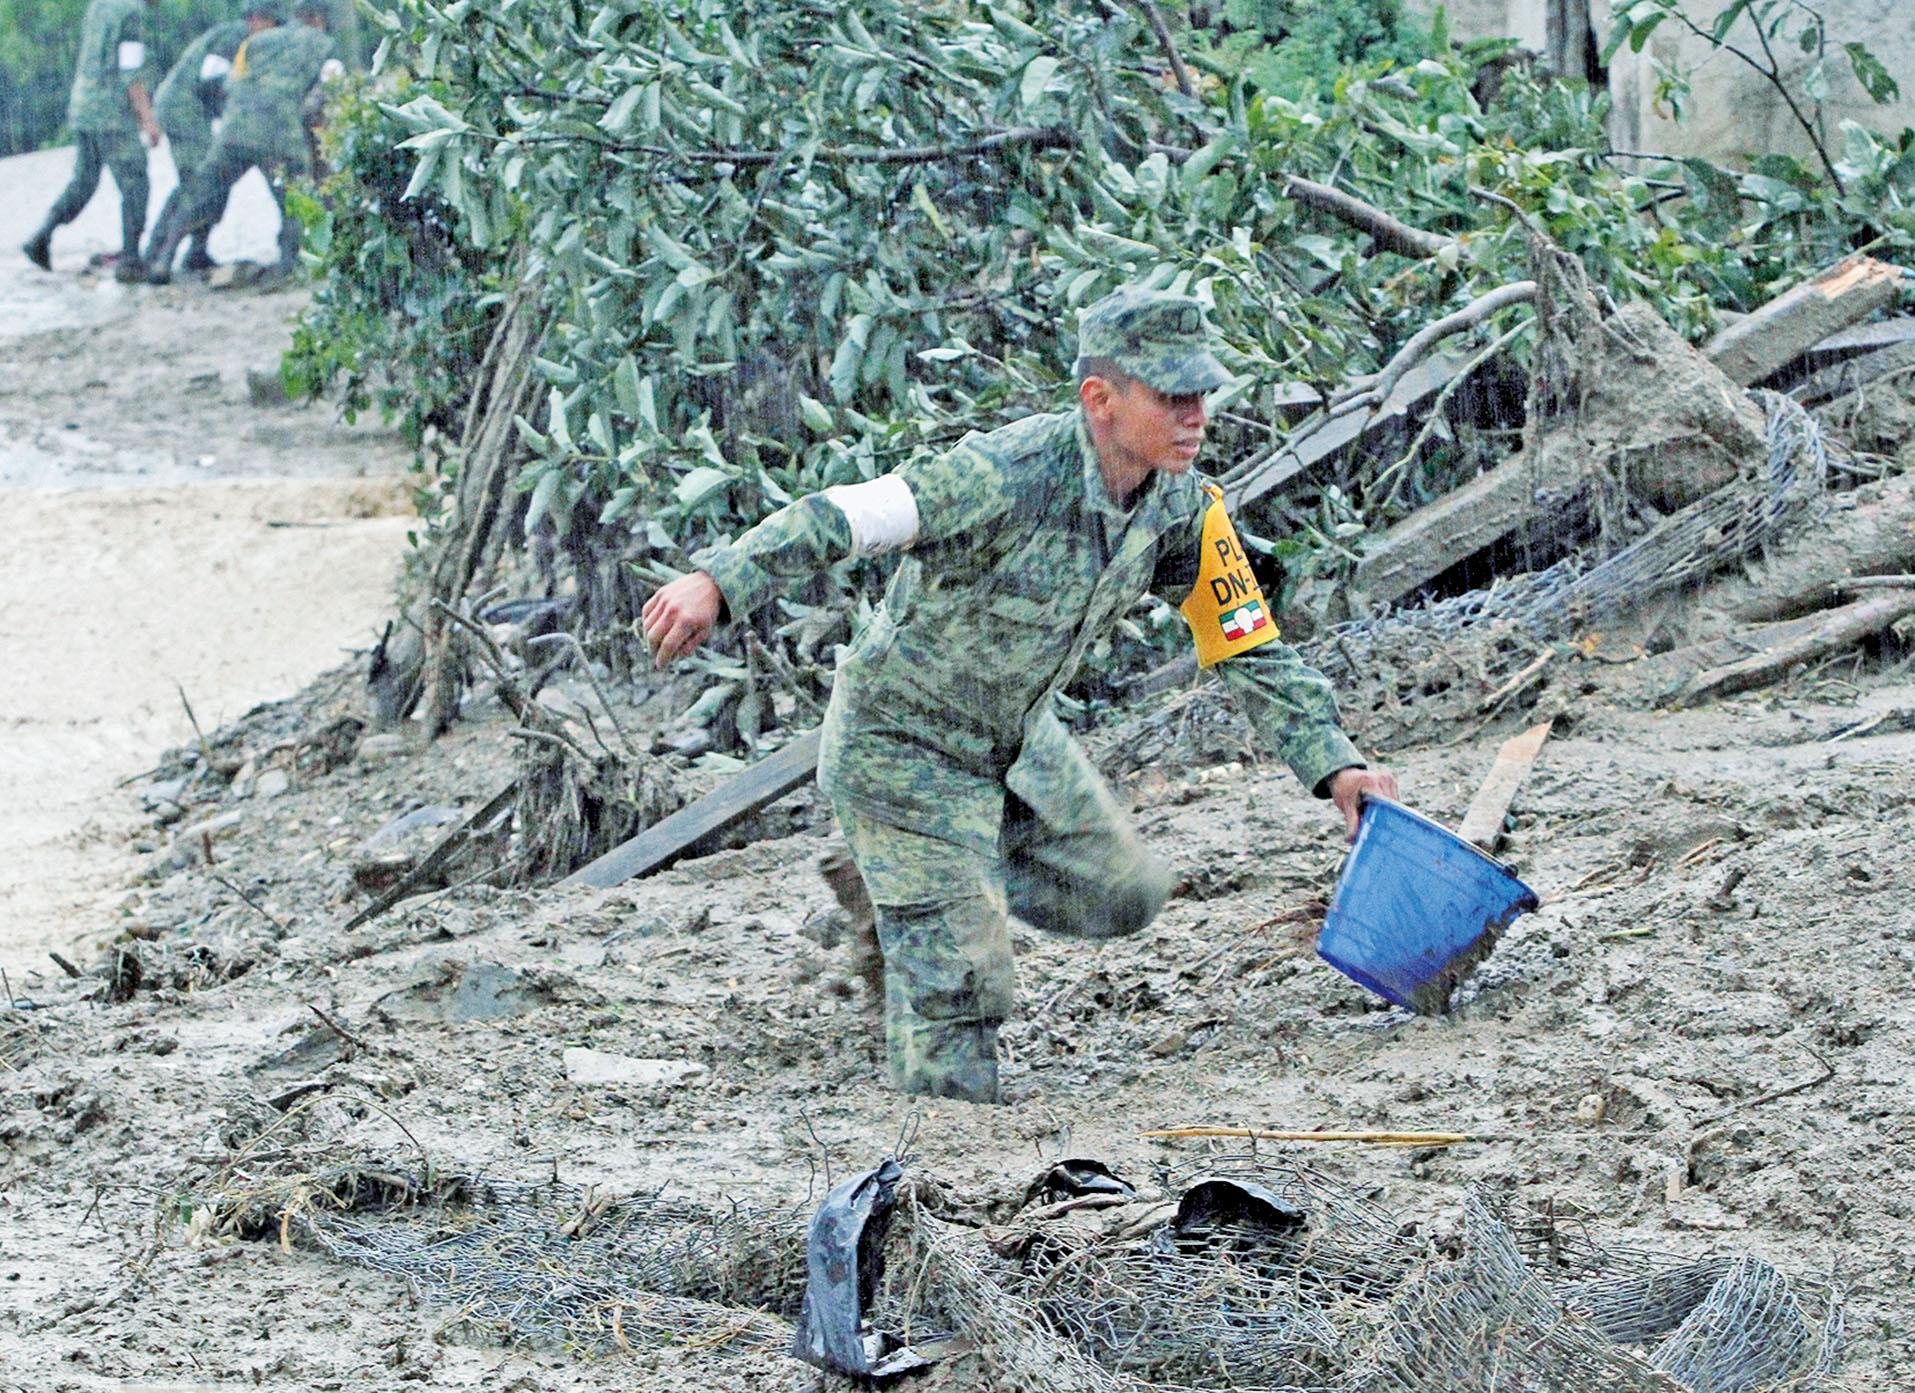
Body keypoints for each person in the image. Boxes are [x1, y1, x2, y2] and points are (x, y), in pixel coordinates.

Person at [642, 286, 1400, 1104]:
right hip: (898, 746)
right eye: (1171, 396)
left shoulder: (1182, 509)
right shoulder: (1000, 473)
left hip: (1013, 741)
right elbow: (849, 515)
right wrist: (719, 580)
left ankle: (906, 886)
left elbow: (1247, 642)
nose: (1195, 416)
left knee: (1125, 894)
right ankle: (927, 953)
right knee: (963, 996)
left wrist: (1336, 768)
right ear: (1099, 399)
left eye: (1202, 395)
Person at [144, 0, 342, 285]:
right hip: (279, 132)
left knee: (201, 191)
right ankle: (288, 264)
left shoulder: (255, 42)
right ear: (319, 19)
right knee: (294, 198)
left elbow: (229, 83)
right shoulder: (325, 45)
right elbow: (329, 89)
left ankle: (164, 258)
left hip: (235, 128)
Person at [21, 0, 162, 282]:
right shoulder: (131, 13)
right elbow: (131, 71)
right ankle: (131, 259)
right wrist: (147, 118)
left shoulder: (100, 5)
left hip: (83, 105)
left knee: (84, 181)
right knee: (136, 182)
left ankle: (41, 236)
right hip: (111, 113)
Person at [145, 2, 286, 279]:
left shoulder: (241, 38)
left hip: (193, 109)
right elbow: (211, 81)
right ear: (258, 19)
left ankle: (193, 250)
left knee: (210, 181)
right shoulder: (234, 38)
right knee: (197, 181)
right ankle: (157, 254)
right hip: (183, 109)